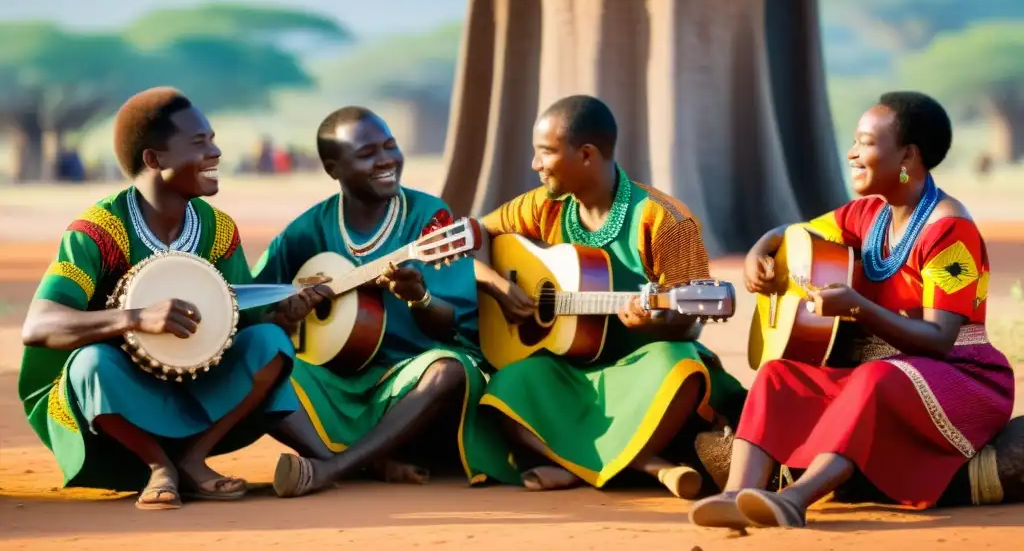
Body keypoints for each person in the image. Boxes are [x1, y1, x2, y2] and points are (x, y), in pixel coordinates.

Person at [689, 91, 1016, 529]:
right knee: (778, 374)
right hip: (885, 375)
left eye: (865, 142)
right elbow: (795, 231)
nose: (852, 152)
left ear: (907, 155)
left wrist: (860, 309)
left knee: (875, 377)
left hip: (961, 379)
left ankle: (794, 498)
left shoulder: (948, 230)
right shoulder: (867, 214)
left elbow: (939, 340)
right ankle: (735, 494)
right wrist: (761, 248)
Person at [17, 87, 320, 510]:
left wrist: (285, 316)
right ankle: (158, 466)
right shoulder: (97, 232)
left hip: (196, 386)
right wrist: (136, 318)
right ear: (154, 160)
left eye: (213, 139)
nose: (215, 152)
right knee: (91, 363)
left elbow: (244, 322)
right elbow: (39, 325)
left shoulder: (218, 230)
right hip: (116, 403)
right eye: (200, 143)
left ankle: (193, 460)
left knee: (270, 342)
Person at [474, 94, 746, 498]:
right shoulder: (543, 207)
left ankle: (573, 464)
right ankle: (648, 465)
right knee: (508, 383)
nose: (535, 165)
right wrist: (497, 285)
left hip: (640, 371)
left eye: (545, 153)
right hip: (570, 371)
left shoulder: (665, 220)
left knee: (681, 366)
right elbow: (476, 233)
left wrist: (657, 320)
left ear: (585, 155)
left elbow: (691, 323)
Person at [250, 106, 517, 498]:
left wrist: (420, 297)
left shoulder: (429, 219)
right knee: (256, 360)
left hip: (413, 381)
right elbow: (257, 299)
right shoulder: (306, 231)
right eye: (367, 153)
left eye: (390, 146)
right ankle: (360, 460)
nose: (386, 160)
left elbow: (450, 325)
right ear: (332, 168)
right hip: (337, 381)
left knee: (450, 370)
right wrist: (283, 317)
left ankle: (334, 467)